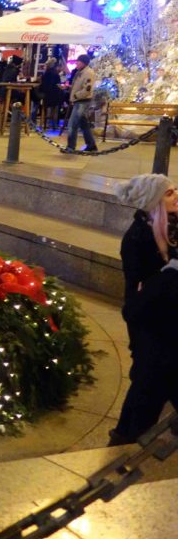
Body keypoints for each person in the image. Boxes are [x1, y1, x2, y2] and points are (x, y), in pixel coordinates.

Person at [109, 174, 178, 445]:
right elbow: (137, 293)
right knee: (148, 377)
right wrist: (169, 275)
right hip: (148, 317)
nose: (176, 196)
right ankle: (125, 438)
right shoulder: (137, 238)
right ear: (153, 201)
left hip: (168, 316)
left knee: (156, 375)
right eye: (170, 193)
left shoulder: (172, 224)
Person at [65, 54, 98, 152]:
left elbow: (87, 90)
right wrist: (69, 89)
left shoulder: (88, 73)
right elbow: (79, 86)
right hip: (78, 101)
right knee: (84, 125)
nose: (76, 63)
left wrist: (75, 96)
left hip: (82, 102)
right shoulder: (80, 72)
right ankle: (91, 145)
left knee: (72, 124)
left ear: (83, 62)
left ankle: (71, 147)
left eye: (78, 61)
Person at [35, 57, 66, 125]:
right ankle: (55, 123)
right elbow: (58, 84)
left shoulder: (45, 74)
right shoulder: (56, 74)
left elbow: (43, 86)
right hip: (55, 97)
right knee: (59, 103)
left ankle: (46, 122)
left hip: (46, 97)